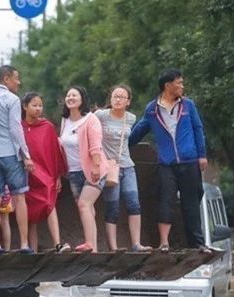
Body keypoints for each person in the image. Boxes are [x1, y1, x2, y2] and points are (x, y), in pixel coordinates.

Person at [129, 69, 210, 252]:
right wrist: (120, 146)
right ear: (168, 86)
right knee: (166, 200)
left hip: (189, 162)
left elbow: (198, 129)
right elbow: (139, 131)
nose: (182, 86)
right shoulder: (152, 109)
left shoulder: (188, 105)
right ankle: (164, 243)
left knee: (191, 202)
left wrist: (202, 155)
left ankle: (197, 243)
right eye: (179, 83)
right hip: (167, 164)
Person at [0, 65, 34, 254]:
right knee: (19, 197)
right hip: (11, 154)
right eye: (16, 78)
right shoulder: (13, 100)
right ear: (6, 79)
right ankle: (24, 244)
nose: (19, 82)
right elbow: (15, 129)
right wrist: (26, 156)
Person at [95, 85, 152, 252]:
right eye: (115, 96)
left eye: (122, 97)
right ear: (110, 99)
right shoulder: (101, 116)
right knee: (112, 207)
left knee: (134, 203)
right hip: (109, 167)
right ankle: (113, 247)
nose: (118, 99)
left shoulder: (131, 118)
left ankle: (136, 244)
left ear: (128, 101)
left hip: (127, 166)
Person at [60, 86, 108, 252]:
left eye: (74, 95)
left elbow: (95, 146)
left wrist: (95, 166)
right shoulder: (65, 121)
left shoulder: (90, 119)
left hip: (93, 170)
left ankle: (89, 244)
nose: (70, 98)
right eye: (68, 95)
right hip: (74, 172)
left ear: (82, 100)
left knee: (84, 205)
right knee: (88, 209)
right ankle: (93, 249)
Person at [21, 92, 70, 253]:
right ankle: (32, 252)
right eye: (34, 105)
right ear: (25, 107)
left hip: (45, 176)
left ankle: (57, 243)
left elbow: (55, 153)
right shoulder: (18, 127)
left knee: (49, 204)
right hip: (25, 176)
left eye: (40, 105)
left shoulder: (47, 127)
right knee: (30, 216)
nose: (37, 109)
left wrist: (57, 177)